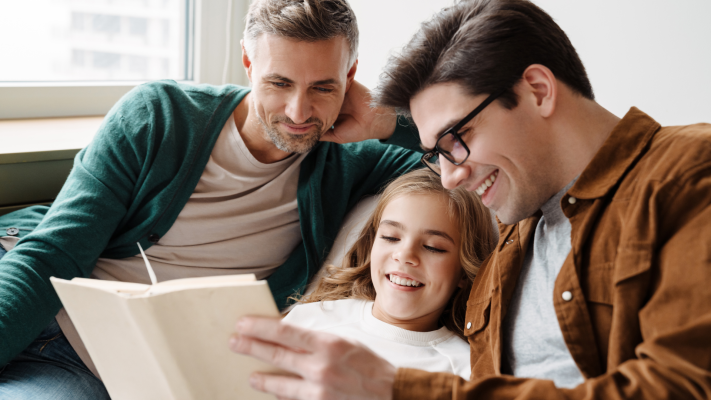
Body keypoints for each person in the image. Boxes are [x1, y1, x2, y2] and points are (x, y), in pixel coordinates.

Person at [229, 0, 711, 399]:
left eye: (455, 140)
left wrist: (396, 390)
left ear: (538, 91)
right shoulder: (514, 230)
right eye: (436, 153)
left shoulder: (686, 172)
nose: (451, 177)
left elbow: (681, 385)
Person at [0, 0, 424, 398]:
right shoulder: (159, 115)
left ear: (350, 76)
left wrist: (382, 119)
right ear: (247, 61)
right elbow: (53, 255)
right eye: (279, 83)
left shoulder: (354, 159)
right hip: (38, 309)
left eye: (323, 88)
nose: (299, 112)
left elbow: (455, 158)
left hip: (98, 370)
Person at [283, 169, 496, 379]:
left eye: (433, 247)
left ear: (464, 273)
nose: (404, 255)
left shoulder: (464, 372)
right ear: (371, 244)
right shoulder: (310, 319)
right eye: (391, 237)